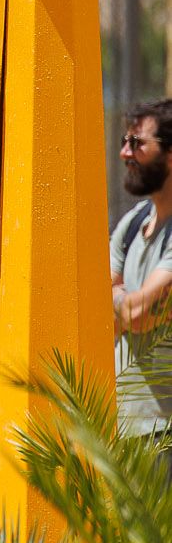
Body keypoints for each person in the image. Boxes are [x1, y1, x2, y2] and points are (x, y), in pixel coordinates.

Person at [110, 97, 172, 481]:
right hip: (123, 428)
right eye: (124, 141)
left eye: (137, 143)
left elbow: (137, 315)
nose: (125, 153)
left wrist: (120, 299)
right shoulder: (133, 223)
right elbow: (98, 307)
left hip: (166, 434)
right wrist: (126, 302)